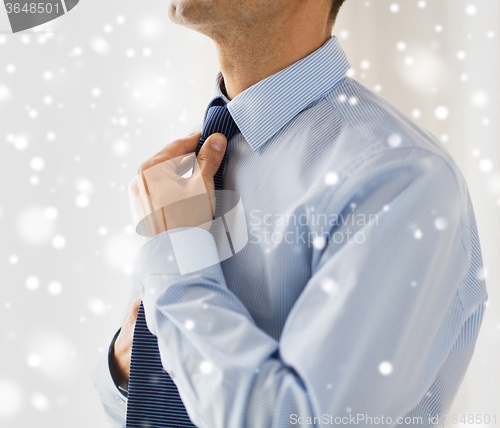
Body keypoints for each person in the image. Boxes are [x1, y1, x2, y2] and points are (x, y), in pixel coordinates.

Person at [93, 0, 488, 427]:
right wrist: (130, 365)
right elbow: (140, 402)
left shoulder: (403, 179)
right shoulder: (194, 169)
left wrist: (175, 261)